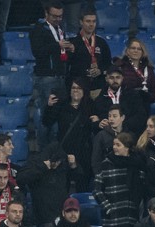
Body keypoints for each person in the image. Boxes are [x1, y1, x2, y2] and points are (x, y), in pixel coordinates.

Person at [31, 1, 74, 146]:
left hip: (61, 78)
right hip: (46, 78)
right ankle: (43, 153)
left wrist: (69, 49)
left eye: (60, 16)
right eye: (54, 16)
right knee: (46, 117)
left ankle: (55, 151)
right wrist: (57, 45)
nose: (58, 19)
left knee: (57, 118)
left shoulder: (61, 28)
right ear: (46, 14)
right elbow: (37, 52)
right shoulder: (38, 29)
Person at [43, 78, 94, 190]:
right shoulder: (62, 105)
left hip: (83, 153)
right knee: (62, 186)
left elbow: (94, 128)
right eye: (73, 88)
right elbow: (47, 122)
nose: (76, 90)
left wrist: (97, 120)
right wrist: (49, 107)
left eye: (79, 88)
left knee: (82, 184)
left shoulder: (90, 106)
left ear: (84, 90)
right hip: (64, 150)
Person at [18, 142, 83, 227]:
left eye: (58, 162)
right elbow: (20, 179)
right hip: (44, 215)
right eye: (54, 162)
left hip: (63, 213)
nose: (56, 165)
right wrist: (43, 167)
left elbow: (79, 180)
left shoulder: (63, 165)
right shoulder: (35, 163)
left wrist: (74, 165)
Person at [115, 38, 155, 135]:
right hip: (125, 109)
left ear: (143, 52)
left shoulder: (149, 69)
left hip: (143, 111)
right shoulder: (120, 67)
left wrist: (146, 96)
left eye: (139, 49)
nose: (136, 51)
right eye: (133, 48)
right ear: (127, 51)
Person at [68, 8, 112, 94]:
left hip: (98, 86)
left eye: (94, 21)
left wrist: (100, 70)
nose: (91, 24)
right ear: (81, 22)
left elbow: (108, 64)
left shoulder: (101, 42)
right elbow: (67, 65)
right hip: (78, 87)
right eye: (88, 21)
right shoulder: (72, 42)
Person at [91, 103, 126, 172]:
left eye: (114, 116)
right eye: (109, 116)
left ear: (122, 117)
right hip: (107, 175)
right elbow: (96, 160)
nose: (111, 119)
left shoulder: (128, 135)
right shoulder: (101, 136)